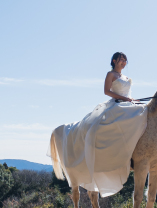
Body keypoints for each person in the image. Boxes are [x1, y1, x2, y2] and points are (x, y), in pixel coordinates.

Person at [51, 52, 148, 196]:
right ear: (114, 61)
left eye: (125, 60)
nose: (124, 62)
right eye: (121, 60)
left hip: (127, 102)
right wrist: (124, 99)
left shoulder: (126, 78)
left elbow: (128, 95)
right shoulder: (111, 75)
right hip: (116, 104)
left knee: (142, 110)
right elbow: (106, 91)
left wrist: (133, 100)